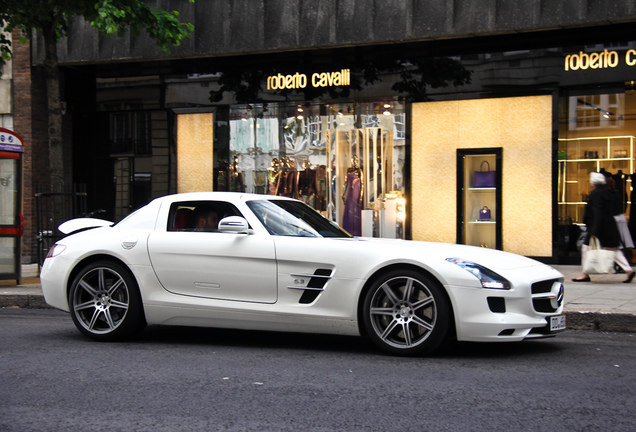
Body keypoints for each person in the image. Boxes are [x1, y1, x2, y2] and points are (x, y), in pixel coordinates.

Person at [573, 172, 634, 282]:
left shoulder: (595, 194)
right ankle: (628, 270)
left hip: (598, 227)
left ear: (594, 182)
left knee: (586, 248)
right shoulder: (609, 193)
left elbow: (597, 212)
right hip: (609, 226)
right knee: (613, 250)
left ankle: (585, 274)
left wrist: (594, 230)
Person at [607, 176, 636, 282]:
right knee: (622, 241)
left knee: (615, 244)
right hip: (620, 217)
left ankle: (621, 266)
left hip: (614, 219)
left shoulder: (608, 195)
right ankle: (624, 265)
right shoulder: (617, 193)